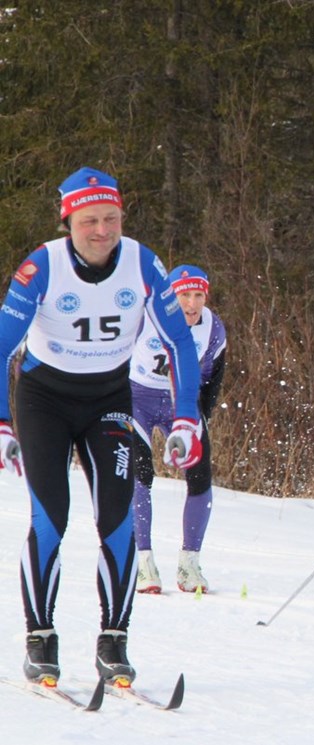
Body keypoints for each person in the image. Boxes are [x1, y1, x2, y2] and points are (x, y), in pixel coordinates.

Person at [0, 167, 203, 687]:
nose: (101, 230)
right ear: (68, 220)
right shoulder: (41, 267)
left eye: (111, 218)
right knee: (51, 519)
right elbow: (2, 347)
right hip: (45, 400)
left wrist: (186, 417)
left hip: (110, 400)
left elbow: (180, 343)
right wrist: (3, 422)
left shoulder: (143, 264)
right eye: (89, 220)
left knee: (116, 521)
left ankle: (114, 641)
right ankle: (40, 638)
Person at [130, 264, 227, 594]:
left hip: (180, 404)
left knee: (201, 473)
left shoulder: (212, 327)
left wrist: (202, 418)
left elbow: (213, 377)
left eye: (198, 295)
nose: (192, 304)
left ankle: (189, 563)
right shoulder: (144, 315)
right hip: (136, 399)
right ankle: (144, 562)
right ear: (170, 296)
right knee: (141, 472)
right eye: (184, 295)